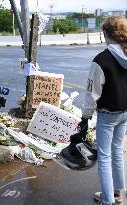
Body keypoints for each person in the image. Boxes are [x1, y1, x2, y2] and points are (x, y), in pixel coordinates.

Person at [61, 16, 127, 205]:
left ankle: (107, 201)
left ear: (107, 34)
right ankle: (118, 196)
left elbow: (92, 94)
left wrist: (85, 117)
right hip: (125, 112)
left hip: (108, 114)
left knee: (104, 157)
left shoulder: (101, 60)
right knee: (116, 152)